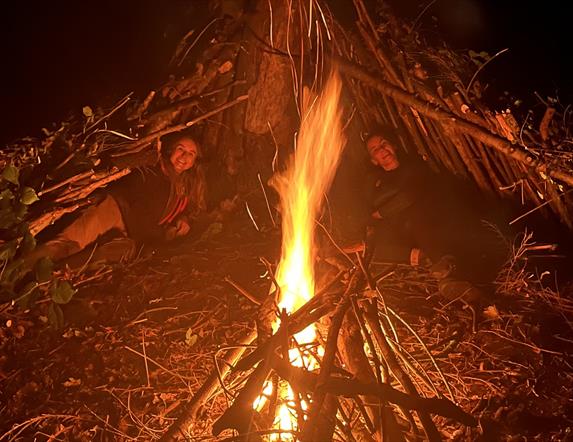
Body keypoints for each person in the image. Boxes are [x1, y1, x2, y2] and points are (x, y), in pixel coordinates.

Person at [349, 126, 508, 301]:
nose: (382, 150)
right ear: (374, 160)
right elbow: (379, 207)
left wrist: (381, 212)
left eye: (384, 143)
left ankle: (454, 278)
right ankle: (451, 273)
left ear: (394, 146)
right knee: (418, 222)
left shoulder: (414, 167)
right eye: (375, 150)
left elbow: (410, 196)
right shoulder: (379, 183)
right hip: (411, 227)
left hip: (436, 216)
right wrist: (379, 216)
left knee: (438, 212)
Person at [25, 134, 207, 268]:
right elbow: (117, 163)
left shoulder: (185, 185)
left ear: (195, 160)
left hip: (133, 233)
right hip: (114, 210)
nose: (184, 157)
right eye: (180, 149)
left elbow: (191, 209)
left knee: (83, 262)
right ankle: (14, 272)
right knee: (67, 244)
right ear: (170, 149)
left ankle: (39, 284)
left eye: (191, 153)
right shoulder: (155, 163)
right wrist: (144, 156)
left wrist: (184, 220)